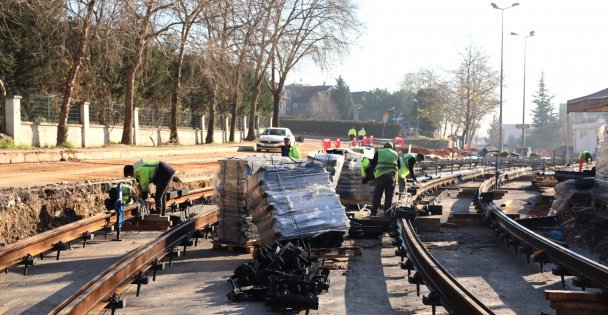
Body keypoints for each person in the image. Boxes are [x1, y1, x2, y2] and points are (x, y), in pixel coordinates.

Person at [369, 142, 398, 216]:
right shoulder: (395, 153)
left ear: (384, 147)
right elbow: (399, 166)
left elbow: (372, 164)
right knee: (389, 197)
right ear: (391, 147)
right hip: (391, 178)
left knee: (377, 195)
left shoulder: (380, 152)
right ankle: (387, 213)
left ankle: (374, 213)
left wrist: (373, 174)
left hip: (380, 177)